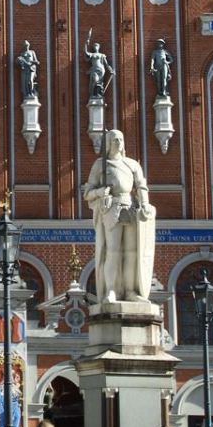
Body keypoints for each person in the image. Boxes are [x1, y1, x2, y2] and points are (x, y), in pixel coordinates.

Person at [82, 130, 156, 303]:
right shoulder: (100, 165)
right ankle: (111, 290)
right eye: (115, 139)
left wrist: (145, 203)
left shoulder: (132, 164)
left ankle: (130, 291)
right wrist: (100, 192)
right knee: (113, 251)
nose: (119, 142)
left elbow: (141, 185)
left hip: (130, 208)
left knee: (131, 253)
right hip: (111, 209)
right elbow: (87, 193)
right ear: (108, 143)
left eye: (121, 139)